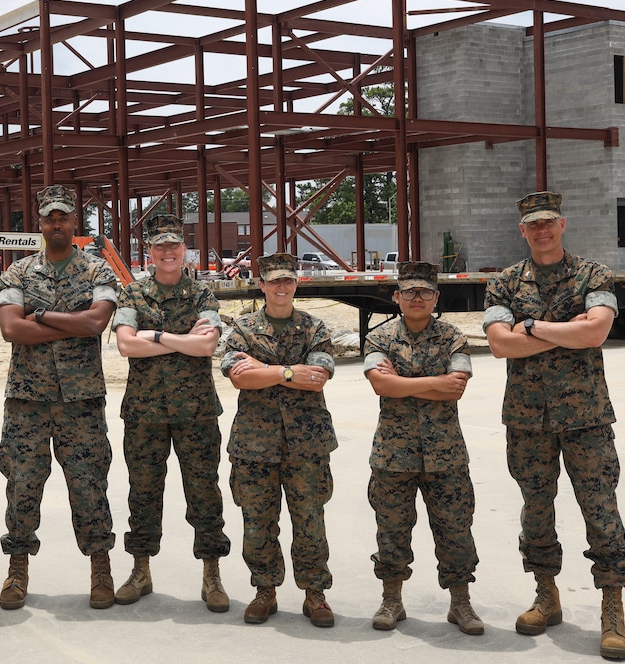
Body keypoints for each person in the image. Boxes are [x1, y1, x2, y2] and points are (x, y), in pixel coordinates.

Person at [483, 191, 625, 660]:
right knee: (535, 507)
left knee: (600, 509)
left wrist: (531, 328)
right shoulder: (503, 283)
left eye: (548, 222)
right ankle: (546, 596)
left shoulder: (594, 274)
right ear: (522, 231)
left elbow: (595, 332)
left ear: (562, 224)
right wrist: (564, 331)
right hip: (527, 419)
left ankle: (613, 609)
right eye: (533, 224)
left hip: (586, 417)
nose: (541, 230)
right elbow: (499, 347)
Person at [0, 184, 119, 610]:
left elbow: (96, 324)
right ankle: (17, 569)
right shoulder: (18, 272)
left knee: (89, 487)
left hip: (81, 402)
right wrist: (74, 321)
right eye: (49, 217)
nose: (56, 223)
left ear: (74, 222)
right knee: (22, 486)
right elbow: (12, 329)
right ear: (40, 222)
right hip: (27, 401)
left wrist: (43, 316)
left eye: (63, 216)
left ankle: (101, 569)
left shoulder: (97, 271)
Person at [111, 213, 230, 612]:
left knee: (204, 492)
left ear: (184, 251)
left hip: (196, 411)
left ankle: (212, 574)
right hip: (144, 413)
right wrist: (182, 341)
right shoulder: (133, 295)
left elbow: (207, 347)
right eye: (159, 246)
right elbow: (126, 345)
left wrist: (156, 336)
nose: (167, 252)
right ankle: (140, 570)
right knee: (143, 492)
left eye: (173, 246)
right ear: (150, 251)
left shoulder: (203, 296)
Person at [363, 261, 484, 635]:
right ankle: (392, 599)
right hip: (392, 455)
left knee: (455, 530)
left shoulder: (454, 337)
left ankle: (460, 603)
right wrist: (433, 383)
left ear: (436, 297)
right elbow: (381, 386)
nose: (418, 298)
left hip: (445, 454)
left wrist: (405, 382)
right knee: (392, 530)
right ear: (397, 297)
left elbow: (457, 386)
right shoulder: (379, 339)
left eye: (425, 292)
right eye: (410, 292)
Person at [221, 252, 337, 628]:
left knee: (310, 521)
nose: (281, 287)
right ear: (262, 285)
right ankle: (264, 590)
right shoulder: (242, 329)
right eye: (274, 281)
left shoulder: (315, 328)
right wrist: (290, 372)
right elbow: (240, 378)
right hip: (255, 445)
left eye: (288, 280)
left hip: (307, 444)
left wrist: (267, 370)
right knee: (257, 522)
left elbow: (317, 376)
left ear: (296, 284)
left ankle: (315, 593)